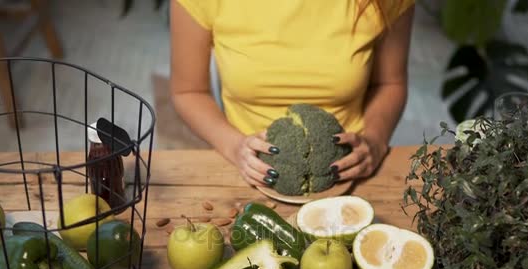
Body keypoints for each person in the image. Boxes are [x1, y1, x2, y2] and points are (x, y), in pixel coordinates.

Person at [169, 0, 415, 188]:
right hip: (246, 173)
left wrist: (375, 141)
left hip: (352, 175)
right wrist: (235, 148)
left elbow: (390, 83)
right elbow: (189, 92)